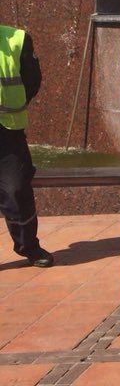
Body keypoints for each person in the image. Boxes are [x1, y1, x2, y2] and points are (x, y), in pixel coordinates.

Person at [0, 25, 53, 268]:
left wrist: (16, 103)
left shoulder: (17, 39)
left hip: (7, 129)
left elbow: (32, 80)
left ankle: (29, 246)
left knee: (17, 189)